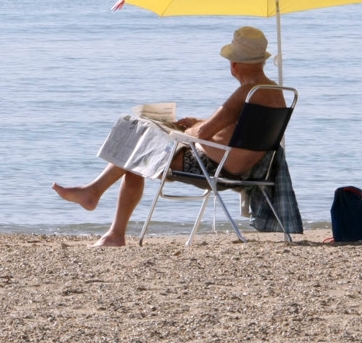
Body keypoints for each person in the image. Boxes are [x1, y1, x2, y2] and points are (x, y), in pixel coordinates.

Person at [52, 26, 287, 247]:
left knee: (135, 149)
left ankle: (105, 216)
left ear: (234, 64)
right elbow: (232, 130)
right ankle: (96, 201)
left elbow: (203, 134)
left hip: (217, 169)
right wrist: (199, 123)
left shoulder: (244, 93)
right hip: (246, 170)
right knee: (137, 148)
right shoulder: (273, 92)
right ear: (262, 61)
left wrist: (187, 130)